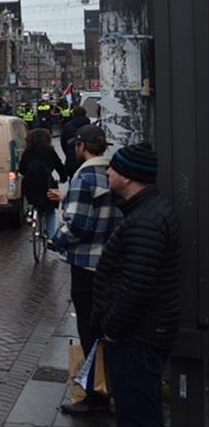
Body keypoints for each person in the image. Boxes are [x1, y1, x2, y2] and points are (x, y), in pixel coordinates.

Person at [92, 143, 179, 427]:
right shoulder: (146, 213)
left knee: (137, 414)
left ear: (127, 176)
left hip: (137, 338)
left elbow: (136, 285)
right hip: (141, 333)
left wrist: (112, 328)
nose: (108, 172)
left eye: (113, 168)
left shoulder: (145, 222)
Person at [49, 124, 120, 416]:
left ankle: (94, 396)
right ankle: (110, 387)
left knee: (89, 330)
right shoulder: (112, 172)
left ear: (81, 146)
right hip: (110, 262)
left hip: (86, 264)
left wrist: (56, 240)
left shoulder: (84, 176)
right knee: (105, 328)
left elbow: (78, 224)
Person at [17, 127, 67, 238]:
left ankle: (31, 211)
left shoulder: (27, 152)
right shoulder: (50, 151)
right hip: (46, 184)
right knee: (50, 211)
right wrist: (63, 177)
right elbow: (59, 166)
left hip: (30, 184)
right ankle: (51, 237)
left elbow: (22, 169)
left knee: (32, 201)